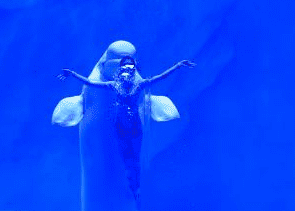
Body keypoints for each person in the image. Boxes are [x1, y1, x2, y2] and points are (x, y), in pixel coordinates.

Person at [58, 57, 195, 203]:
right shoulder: (114, 86)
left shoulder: (139, 85)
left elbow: (162, 77)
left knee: (134, 158)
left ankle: (135, 190)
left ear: (134, 71)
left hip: (134, 127)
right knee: (125, 158)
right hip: (121, 127)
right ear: (120, 71)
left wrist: (178, 66)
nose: (127, 72)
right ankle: (129, 188)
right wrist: (72, 73)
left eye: (130, 68)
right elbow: (90, 83)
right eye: (124, 68)